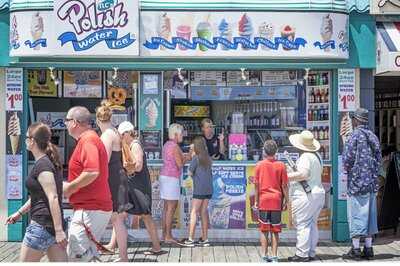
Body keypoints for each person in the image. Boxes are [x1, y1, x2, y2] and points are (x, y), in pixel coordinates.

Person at [6, 123, 67, 262]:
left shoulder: (43, 165)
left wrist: (58, 230)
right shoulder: (48, 162)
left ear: (32, 141)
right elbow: (38, 196)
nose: (25, 140)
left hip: (41, 227)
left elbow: (53, 197)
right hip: (51, 228)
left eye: (27, 137)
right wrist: (19, 213)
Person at [63, 106, 113, 262]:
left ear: (75, 123)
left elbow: (92, 172)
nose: (65, 124)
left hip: (91, 208)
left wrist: (69, 188)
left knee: (77, 255)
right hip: (91, 208)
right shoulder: (88, 139)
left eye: (67, 120)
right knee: (87, 255)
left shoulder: (88, 140)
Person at [116, 121, 163, 255]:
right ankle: (113, 245)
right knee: (120, 214)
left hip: (139, 186)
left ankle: (157, 247)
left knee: (145, 216)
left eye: (121, 134)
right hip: (133, 184)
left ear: (126, 134)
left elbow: (138, 166)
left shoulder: (135, 145)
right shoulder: (130, 145)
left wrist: (123, 167)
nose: (120, 137)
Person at [342, 108, 382, 261]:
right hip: (371, 183)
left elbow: (347, 160)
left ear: (356, 120)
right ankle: (369, 248)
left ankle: (356, 249)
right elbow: (378, 160)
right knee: (370, 216)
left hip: (357, 183)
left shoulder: (354, 136)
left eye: (353, 119)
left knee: (356, 215)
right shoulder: (373, 136)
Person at [95, 101, 132, 262]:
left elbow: (104, 161)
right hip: (119, 177)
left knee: (116, 219)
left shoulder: (106, 135)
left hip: (113, 180)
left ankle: (123, 257)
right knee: (117, 219)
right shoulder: (115, 132)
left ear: (97, 120)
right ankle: (122, 256)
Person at [286, 130, 325, 262]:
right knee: (312, 223)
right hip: (318, 193)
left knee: (302, 224)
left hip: (305, 195)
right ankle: (311, 252)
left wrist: (286, 176)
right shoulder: (317, 156)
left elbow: (303, 174)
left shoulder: (305, 157)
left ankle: (302, 254)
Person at [253, 140, 289, 263]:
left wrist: (256, 201)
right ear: (276, 151)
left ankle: (264, 255)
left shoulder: (259, 165)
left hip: (263, 200)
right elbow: (284, 185)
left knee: (264, 230)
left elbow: (256, 186)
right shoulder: (281, 165)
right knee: (275, 230)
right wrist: (287, 201)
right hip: (276, 200)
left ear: (264, 151)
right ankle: (274, 256)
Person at [160, 123, 191, 244]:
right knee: (171, 208)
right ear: (176, 134)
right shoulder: (175, 147)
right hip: (171, 178)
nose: (183, 135)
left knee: (166, 208)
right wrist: (187, 157)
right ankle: (168, 235)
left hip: (164, 176)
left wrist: (183, 157)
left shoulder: (167, 144)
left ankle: (164, 234)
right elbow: (179, 164)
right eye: (182, 133)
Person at [182, 137, 213, 247]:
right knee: (203, 212)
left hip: (199, 189)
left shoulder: (196, 158)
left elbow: (190, 173)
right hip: (209, 189)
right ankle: (205, 239)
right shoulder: (208, 158)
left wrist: (191, 153)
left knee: (194, 212)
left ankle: (190, 239)